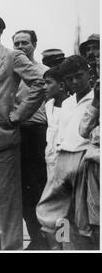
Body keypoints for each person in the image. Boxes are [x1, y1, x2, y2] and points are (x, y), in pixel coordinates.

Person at [0, 13, 45, 250]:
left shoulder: (13, 56)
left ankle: (11, 248)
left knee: (7, 203)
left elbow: (40, 83)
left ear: (0, 31)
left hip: (3, 137)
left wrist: (18, 114)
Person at [36, 55, 95, 250]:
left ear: (89, 74)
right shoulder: (68, 103)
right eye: (70, 79)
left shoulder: (96, 100)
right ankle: (60, 247)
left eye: (79, 76)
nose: (75, 82)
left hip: (84, 160)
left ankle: (74, 247)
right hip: (62, 160)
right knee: (54, 212)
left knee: (79, 215)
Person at [12, 30, 48, 250]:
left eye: (25, 42)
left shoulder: (45, 71)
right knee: (22, 192)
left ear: (34, 44)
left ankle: (48, 237)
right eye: (16, 43)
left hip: (39, 132)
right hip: (16, 133)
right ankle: (35, 238)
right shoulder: (11, 73)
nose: (21, 46)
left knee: (41, 188)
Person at [74, 71, 99, 249]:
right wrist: (97, 101)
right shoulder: (97, 97)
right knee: (94, 214)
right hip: (95, 162)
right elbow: (83, 130)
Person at [43, 66, 68, 181]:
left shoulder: (71, 106)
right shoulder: (48, 106)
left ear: (61, 86)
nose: (44, 87)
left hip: (66, 160)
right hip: (50, 159)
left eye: (48, 83)